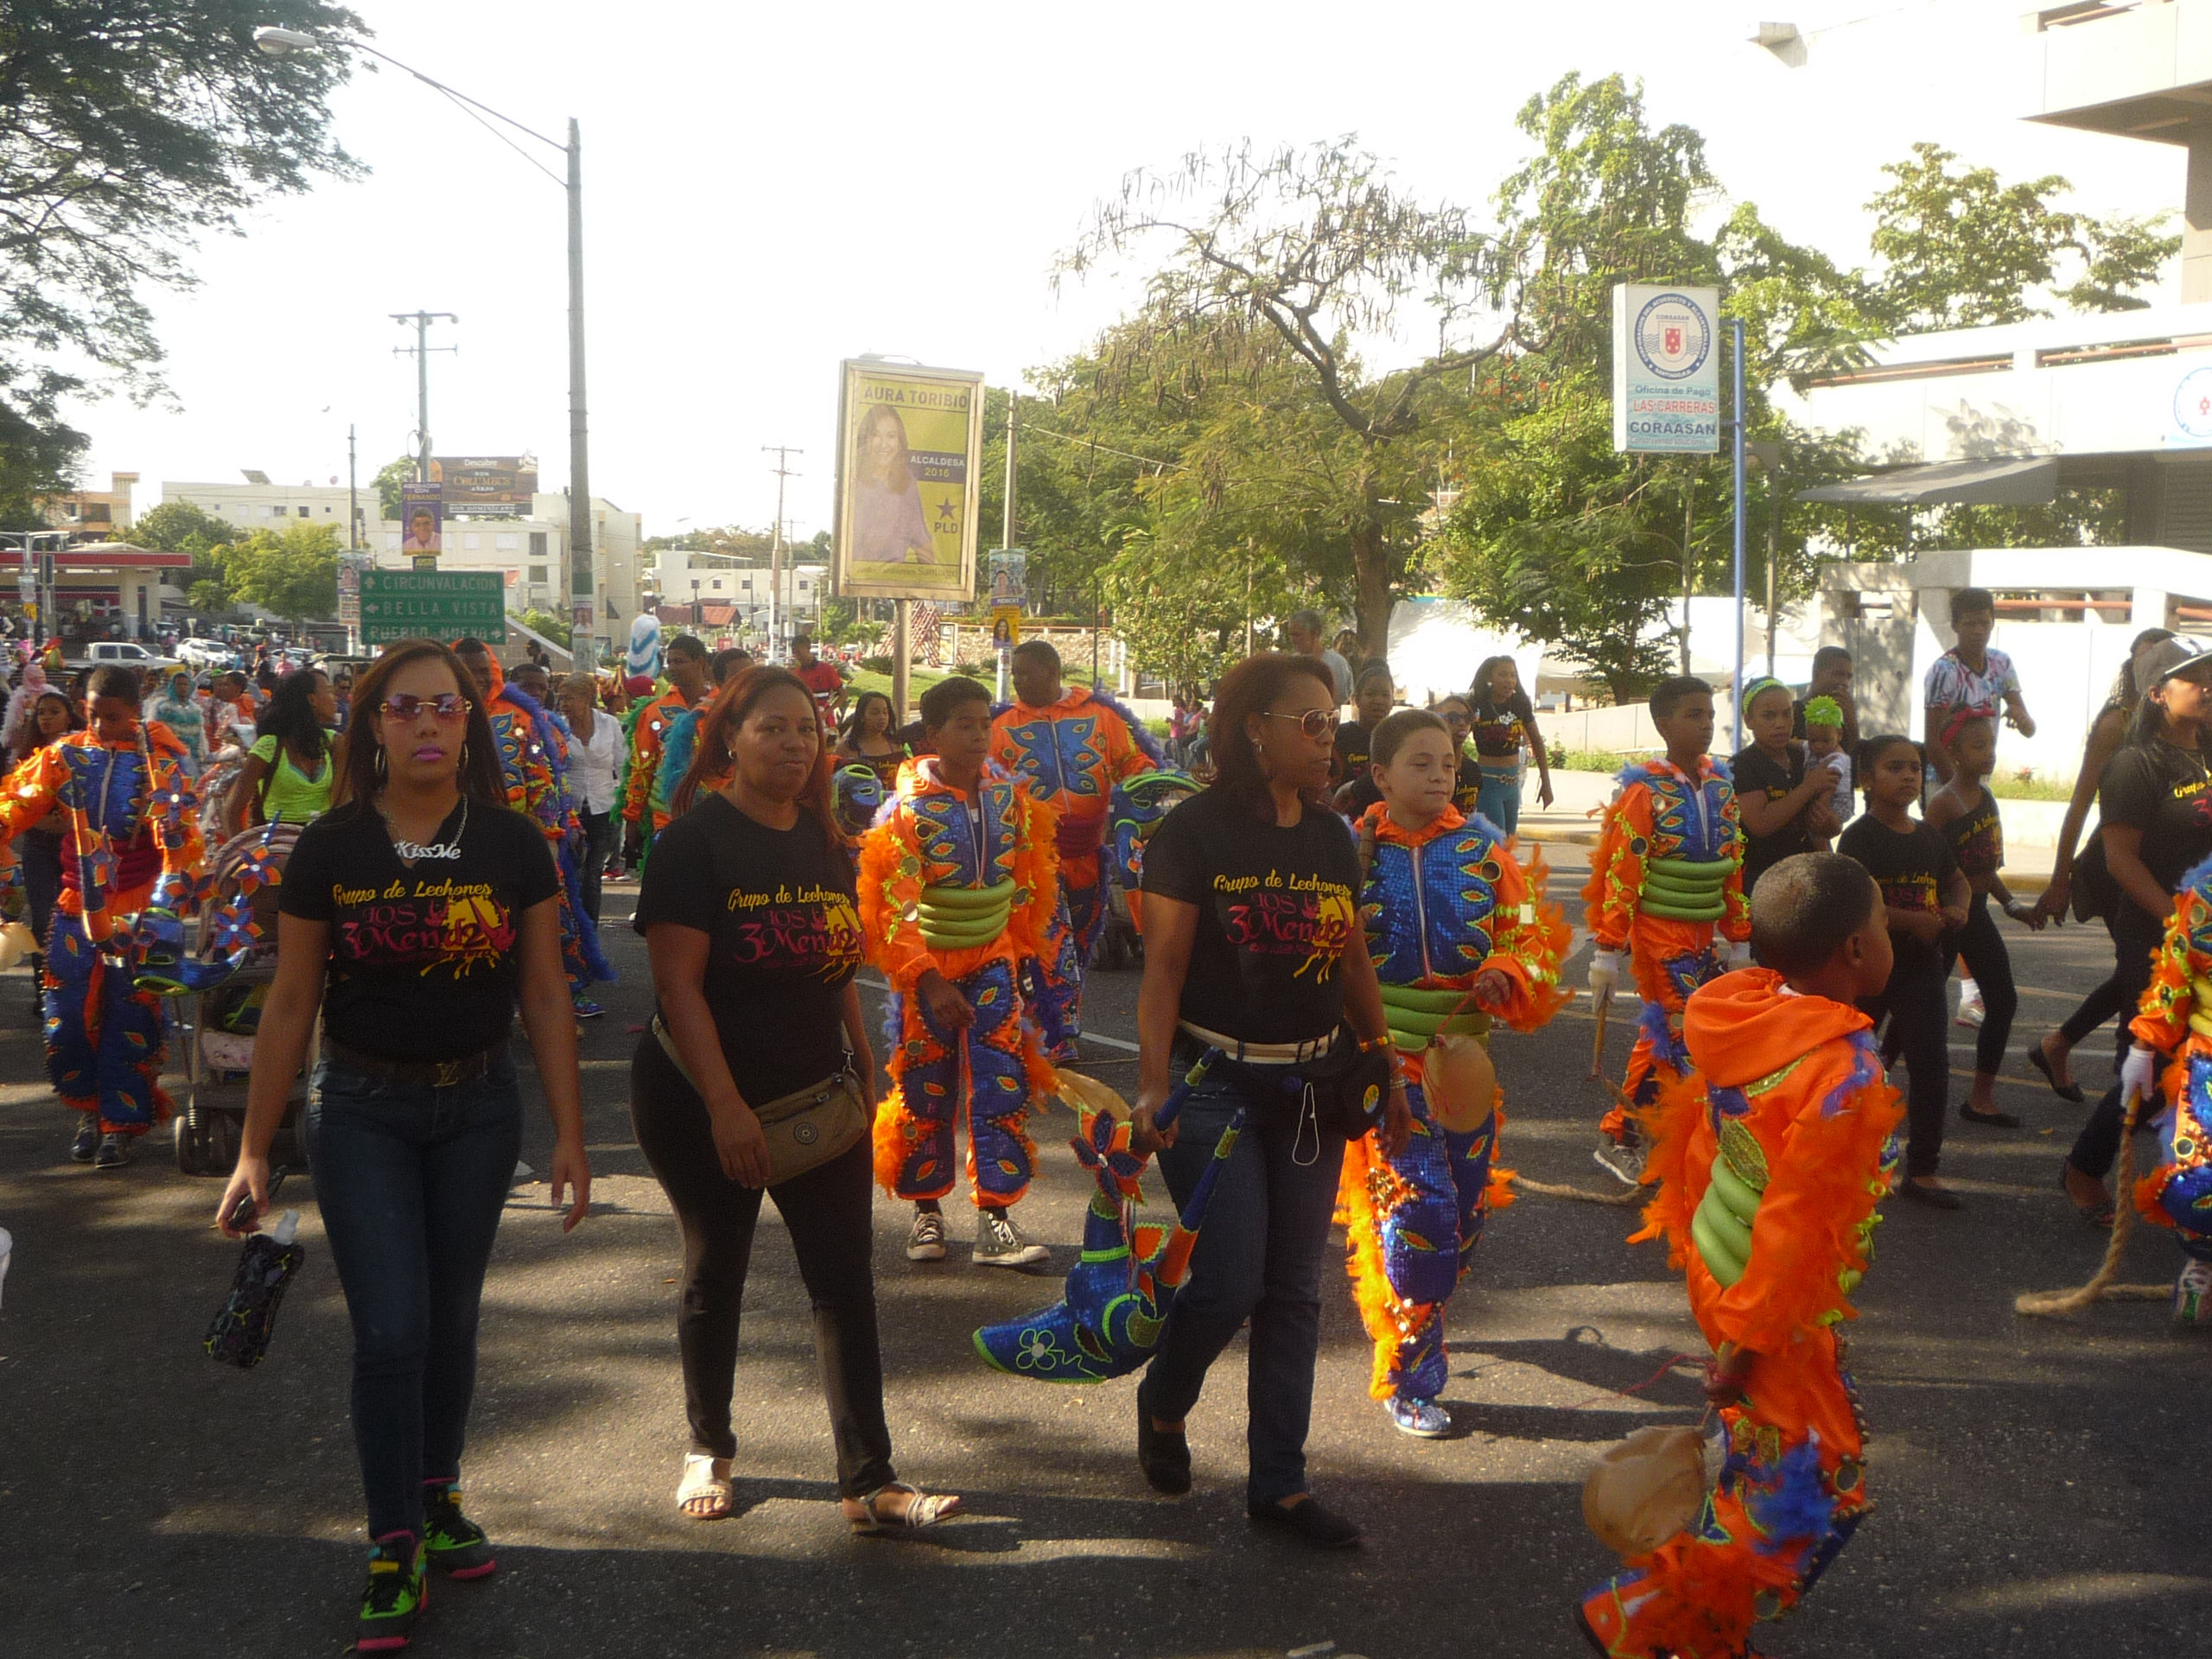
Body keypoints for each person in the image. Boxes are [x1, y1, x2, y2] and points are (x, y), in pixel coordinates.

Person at [213, 639, 589, 1654]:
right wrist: (256, 1147)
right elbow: (291, 1001)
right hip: (364, 1111)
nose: (428, 723)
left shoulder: (512, 843)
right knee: (391, 1331)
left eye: (448, 708)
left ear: (470, 724)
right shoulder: (332, 849)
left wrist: (570, 1136)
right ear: (372, 724)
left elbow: (546, 993)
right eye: (406, 707)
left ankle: (435, 1496)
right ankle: (391, 1542)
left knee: (450, 1321)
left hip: (478, 1111)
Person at [630, 664, 963, 1529]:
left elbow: (834, 962)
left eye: (806, 731)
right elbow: (680, 990)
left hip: (820, 1094)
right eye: (771, 728)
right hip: (702, 1098)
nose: (791, 745)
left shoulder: (825, 840)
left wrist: (862, 1060)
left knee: (843, 1279)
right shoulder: (693, 846)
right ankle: (710, 1445)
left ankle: (870, 1480)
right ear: (731, 739)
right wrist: (725, 1106)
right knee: (717, 1271)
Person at [1580, 852, 1901, 1659]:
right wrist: (1747, 1342)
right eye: (1885, 925)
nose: (1890, 936)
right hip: (1770, 1315)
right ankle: (1663, 1623)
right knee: (1818, 1485)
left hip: (1731, 1285)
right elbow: (1795, 1224)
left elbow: (1701, 1153)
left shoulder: (1741, 1014)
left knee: (1768, 1464)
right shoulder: (1842, 1071)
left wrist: (1708, 1275)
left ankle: (1686, 1621)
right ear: (1855, 953)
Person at [1128, 651, 1408, 1549]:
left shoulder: (1331, 836)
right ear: (1255, 730)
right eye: (1313, 723)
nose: (1332, 738)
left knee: (1291, 1292)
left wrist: (1384, 1058)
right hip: (1212, 1085)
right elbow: (1163, 967)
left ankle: (1279, 1485)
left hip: (1311, 1087)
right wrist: (1150, 1083)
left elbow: (1354, 957)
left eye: (1334, 723)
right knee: (1229, 1282)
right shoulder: (1192, 835)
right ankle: (1165, 1401)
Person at [1343, 709, 1568, 1436]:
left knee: (1466, 1209)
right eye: (1422, 764)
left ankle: (1424, 1313)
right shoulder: (1350, 851)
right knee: (1422, 1211)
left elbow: (1531, 931)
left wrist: (1507, 969)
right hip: (1385, 1068)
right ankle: (1409, 1373)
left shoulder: (1485, 849)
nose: (1441, 776)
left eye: (1448, 763)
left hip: (1464, 1065)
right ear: (1380, 775)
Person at [860, 676, 1060, 1268]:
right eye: (964, 724)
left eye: (984, 723)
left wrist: (1024, 957)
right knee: (926, 1084)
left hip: (993, 958)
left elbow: (1028, 887)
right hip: (929, 971)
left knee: (1000, 1081)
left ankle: (996, 1219)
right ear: (932, 734)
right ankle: (926, 1212)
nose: (978, 735)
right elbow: (889, 906)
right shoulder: (905, 810)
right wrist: (926, 978)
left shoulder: (1011, 801)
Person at [0, 664, 203, 1167]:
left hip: (138, 908)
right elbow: (17, 805)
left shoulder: (164, 761)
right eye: (94, 714)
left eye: (113, 716)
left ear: (135, 711)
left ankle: (120, 1122)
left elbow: (182, 845)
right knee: (66, 1019)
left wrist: (169, 902)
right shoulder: (64, 755)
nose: (102, 725)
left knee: (128, 1018)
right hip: (75, 905)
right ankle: (88, 1111)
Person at [2062, 635, 2212, 1224]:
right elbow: (2121, 860)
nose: (2206, 685)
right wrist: (2181, 922)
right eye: (2192, 676)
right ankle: (2082, 1167)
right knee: (2148, 1062)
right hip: (2154, 934)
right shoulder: (2134, 763)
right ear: (2156, 692)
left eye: (2209, 674)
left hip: (2205, 932)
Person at [1583, 676, 1751, 1185]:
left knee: (1665, 1036)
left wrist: (1738, 936)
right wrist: (1608, 952)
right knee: (1682, 1030)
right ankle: (1631, 1133)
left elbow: (1733, 861)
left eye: (1709, 715)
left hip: (1703, 933)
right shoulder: (1643, 791)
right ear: (1662, 723)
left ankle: (1630, 1132)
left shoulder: (1721, 786)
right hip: (1660, 934)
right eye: (1692, 715)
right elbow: (1623, 870)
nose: (1705, 725)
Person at [989, 639, 1163, 1057]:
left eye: (1024, 672)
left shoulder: (1101, 716)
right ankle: (1057, 1034)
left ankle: (1045, 1022)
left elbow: (1133, 765)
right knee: (1053, 943)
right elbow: (988, 781)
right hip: (1034, 858)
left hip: (1091, 853)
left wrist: (1147, 781)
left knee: (1080, 945)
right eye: (1014, 673)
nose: (1016, 680)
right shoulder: (1002, 725)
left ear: (1052, 672)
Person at [2031, 626, 2176, 1100]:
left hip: (2162, 867)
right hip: (2113, 864)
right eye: (2143, 659)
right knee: (2144, 969)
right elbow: (2078, 803)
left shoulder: (2185, 728)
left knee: (2144, 970)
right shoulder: (2119, 723)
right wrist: (2059, 879)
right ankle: (2121, 1109)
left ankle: (2058, 1043)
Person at [1840, 734, 1970, 1208]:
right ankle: (1842, 1153)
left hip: (1919, 968)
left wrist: (1960, 906)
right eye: (1894, 767)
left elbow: (1955, 880)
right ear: (1868, 779)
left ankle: (1923, 1168)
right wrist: (1918, 921)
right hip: (1867, 970)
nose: (1908, 776)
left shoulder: (1930, 838)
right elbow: (1858, 906)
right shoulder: (1859, 837)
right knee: (1851, 1063)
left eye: (1914, 767)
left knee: (1931, 1063)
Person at [454, 639, 614, 1020]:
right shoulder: (440, 713)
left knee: (548, 921)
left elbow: (543, 776)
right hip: (457, 838)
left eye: (483, 671)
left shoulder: (519, 715)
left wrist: (556, 832)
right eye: (467, 671)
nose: (476, 680)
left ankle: (563, 995)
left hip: (524, 837)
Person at [1924, 714, 2044, 1130]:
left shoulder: (1987, 797)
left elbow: (1985, 868)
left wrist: (2012, 905)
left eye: (1990, 744)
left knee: (2003, 1001)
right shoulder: (1942, 804)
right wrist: (1934, 915)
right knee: (1916, 1006)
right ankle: (1870, 1079)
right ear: (1954, 753)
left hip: (1975, 914)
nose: (1988, 753)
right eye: (1977, 745)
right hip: (1945, 916)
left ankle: (1981, 1098)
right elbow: (1927, 863)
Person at [2112, 850, 2212, 1322]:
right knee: (2196, 1184)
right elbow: (2176, 974)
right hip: (2208, 1063)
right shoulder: (2204, 897)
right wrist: (2145, 1044)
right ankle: (2204, 1262)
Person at [1731, 677, 1840, 900]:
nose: (1780, 723)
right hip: (1766, 881)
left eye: (1786, 713)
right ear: (1748, 720)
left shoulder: (1805, 756)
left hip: (1810, 876)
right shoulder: (1743, 765)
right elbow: (1760, 823)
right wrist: (1808, 787)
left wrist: (1828, 823)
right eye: (1769, 716)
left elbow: (1832, 824)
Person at [1923, 586, 2034, 787]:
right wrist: (1959, 789)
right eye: (1970, 624)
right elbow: (1933, 743)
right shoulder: (1944, 670)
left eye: (1984, 623)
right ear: (1955, 625)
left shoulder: (2001, 663)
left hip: (1980, 781)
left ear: (1993, 623)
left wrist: (2021, 718)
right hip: (1943, 781)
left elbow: (2029, 730)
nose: (1978, 631)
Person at [621, 632, 710, 862]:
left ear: (700, 662)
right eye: (670, 662)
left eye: (679, 661)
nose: (673, 668)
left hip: (715, 814)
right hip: (666, 817)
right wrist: (632, 815)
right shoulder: (655, 711)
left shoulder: (723, 708)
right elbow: (641, 765)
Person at [226, 667, 338, 837]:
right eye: (329, 692)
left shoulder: (334, 743)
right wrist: (247, 857)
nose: (335, 698)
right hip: (278, 849)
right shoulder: (269, 747)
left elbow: (345, 804)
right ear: (312, 699)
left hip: (323, 843)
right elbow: (231, 811)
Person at [1468, 655, 1555, 836]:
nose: (1509, 681)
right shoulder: (1477, 704)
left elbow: (1537, 741)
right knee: (1497, 842)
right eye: (1503, 675)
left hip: (1512, 784)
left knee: (1509, 842)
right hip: (1488, 783)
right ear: (1489, 678)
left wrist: (1546, 783)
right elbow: (1457, 735)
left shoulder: (1520, 704)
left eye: (1513, 676)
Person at [558, 673, 619, 925]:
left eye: (569, 698)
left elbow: (623, 763)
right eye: (562, 698)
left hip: (604, 808)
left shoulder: (610, 725)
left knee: (593, 873)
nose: (564, 704)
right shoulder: (558, 727)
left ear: (586, 698)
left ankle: (589, 929)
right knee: (572, 872)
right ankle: (570, 925)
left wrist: (624, 800)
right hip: (569, 811)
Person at [849, 403, 937, 565]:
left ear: (899, 441)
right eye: (876, 435)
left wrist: (933, 585)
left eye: (891, 436)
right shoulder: (854, 484)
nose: (884, 444)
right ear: (865, 440)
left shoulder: (907, 484)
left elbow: (923, 543)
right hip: (859, 582)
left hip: (895, 582)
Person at [1330, 664, 1396, 816]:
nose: (1378, 701)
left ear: (1393, 701)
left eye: (1385, 695)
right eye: (1371, 694)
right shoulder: (1339, 737)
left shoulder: (1400, 740)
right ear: (1356, 699)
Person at [836, 690, 907, 793]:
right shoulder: (847, 748)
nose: (882, 717)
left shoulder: (896, 745)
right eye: (875, 713)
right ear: (862, 716)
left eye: (885, 712)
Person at [1793, 645, 1860, 754]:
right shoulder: (1791, 713)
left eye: (1848, 677)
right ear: (1817, 673)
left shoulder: (1836, 722)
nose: (1845, 683)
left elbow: (1852, 763)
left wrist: (1851, 723)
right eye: (1838, 674)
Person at [1803, 696, 1853, 831]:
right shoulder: (1810, 746)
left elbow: (1831, 783)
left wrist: (1820, 805)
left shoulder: (1838, 758)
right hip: (1820, 794)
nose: (1819, 746)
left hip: (1835, 801)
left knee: (1818, 829)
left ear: (1839, 734)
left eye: (1825, 741)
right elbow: (1798, 744)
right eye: (1814, 741)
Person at [1284, 608, 1352, 704]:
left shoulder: (1336, 663)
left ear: (1315, 633)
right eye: (1290, 635)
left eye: (1297, 635)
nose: (1293, 640)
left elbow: (1342, 702)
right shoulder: (1291, 664)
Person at [1433, 693, 1486, 814]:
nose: (1462, 723)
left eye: (1468, 718)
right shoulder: (1429, 769)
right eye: (1453, 717)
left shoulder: (1472, 769)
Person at [149, 667, 207, 772]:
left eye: (185, 684)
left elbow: (200, 737)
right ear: (173, 686)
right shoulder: (162, 706)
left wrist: (204, 757)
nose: (183, 687)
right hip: (169, 757)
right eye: (179, 684)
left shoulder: (195, 709)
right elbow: (154, 732)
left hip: (193, 759)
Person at [791, 634, 846, 722]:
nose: (797, 656)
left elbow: (843, 695)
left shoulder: (826, 669)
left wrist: (827, 712)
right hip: (804, 720)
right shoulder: (796, 674)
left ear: (808, 648)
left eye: (799, 652)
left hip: (824, 720)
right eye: (794, 653)